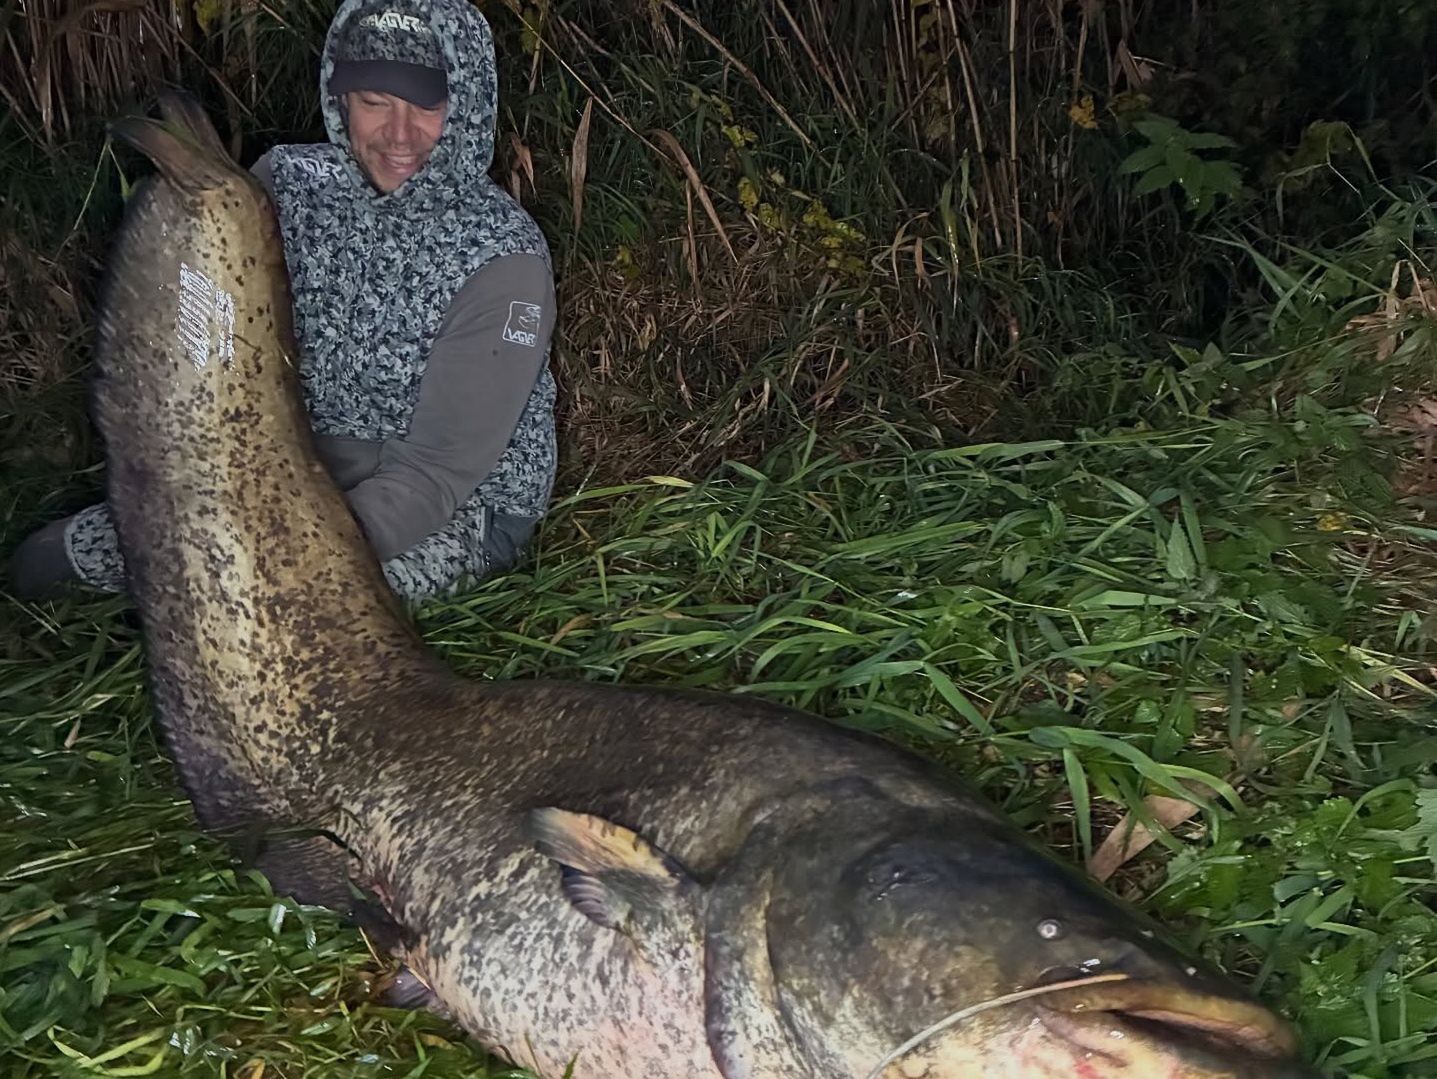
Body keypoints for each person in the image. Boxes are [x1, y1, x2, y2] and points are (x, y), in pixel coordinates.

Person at [8, 0, 558, 603]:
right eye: (374, 101)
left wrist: (274, 548)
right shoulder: (284, 186)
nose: (399, 135)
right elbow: (205, 342)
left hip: (448, 503)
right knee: (46, 563)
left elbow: (435, 472)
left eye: (427, 106)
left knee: (273, 603)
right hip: (280, 466)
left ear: (468, 107)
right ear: (340, 99)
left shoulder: (504, 258)